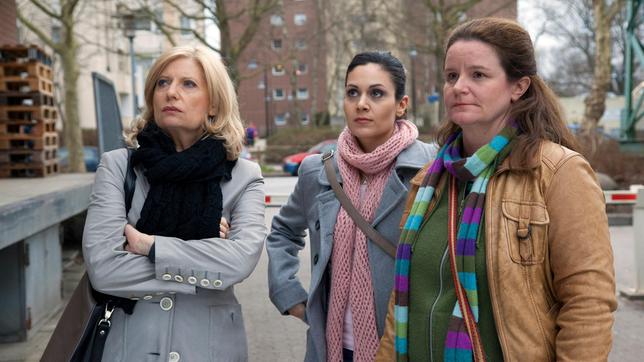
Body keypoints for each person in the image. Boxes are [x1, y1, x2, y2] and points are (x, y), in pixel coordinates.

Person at [377, 17, 617, 361]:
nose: (459, 86)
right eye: (451, 76)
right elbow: (398, 303)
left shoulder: (559, 173)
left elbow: (588, 302)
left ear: (518, 87)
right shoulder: (429, 180)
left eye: (478, 75)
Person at [83, 45, 266, 361]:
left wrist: (151, 246)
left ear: (214, 105)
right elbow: (104, 268)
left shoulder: (243, 175)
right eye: (162, 83)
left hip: (210, 347)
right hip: (131, 346)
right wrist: (205, 257)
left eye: (188, 84)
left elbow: (238, 262)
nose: (171, 93)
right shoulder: (118, 167)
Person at [266, 51, 436, 361]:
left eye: (377, 93)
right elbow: (282, 231)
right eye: (352, 92)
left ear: (401, 104)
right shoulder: (317, 170)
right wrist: (287, 291)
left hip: (405, 344)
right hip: (332, 346)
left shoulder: (430, 167)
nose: (361, 103)